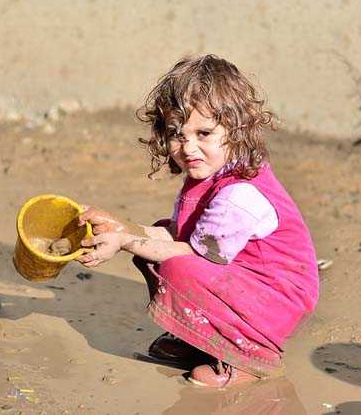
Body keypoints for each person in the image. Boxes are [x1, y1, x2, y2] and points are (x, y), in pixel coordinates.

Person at [76, 54, 319, 387]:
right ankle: (203, 341)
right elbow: (177, 235)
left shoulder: (239, 196)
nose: (188, 147)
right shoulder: (207, 174)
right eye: (177, 134)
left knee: (176, 265)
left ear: (236, 131)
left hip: (275, 300)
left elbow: (193, 256)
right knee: (157, 247)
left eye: (204, 133)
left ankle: (252, 357)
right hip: (246, 286)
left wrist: (125, 240)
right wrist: (119, 228)